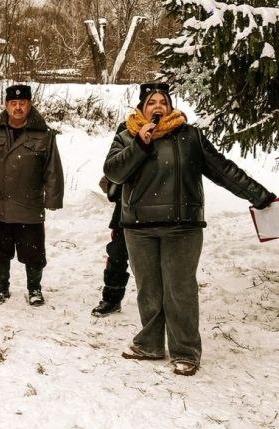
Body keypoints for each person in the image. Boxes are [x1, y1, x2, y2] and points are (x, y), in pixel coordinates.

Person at [104, 83, 275, 376]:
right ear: (141, 109)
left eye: (163, 102)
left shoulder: (190, 136)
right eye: (151, 102)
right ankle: (150, 344)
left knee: (180, 289)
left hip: (182, 226)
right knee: (149, 290)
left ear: (169, 106)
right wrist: (140, 145)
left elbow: (223, 170)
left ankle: (185, 351)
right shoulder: (128, 135)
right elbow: (113, 172)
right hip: (138, 227)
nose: (157, 106)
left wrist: (259, 195)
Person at [0, 84, 63, 306]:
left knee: (33, 252)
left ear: (30, 104)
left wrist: (52, 198)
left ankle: (34, 288)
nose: (18, 107)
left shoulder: (44, 134)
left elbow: (53, 169)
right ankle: (1, 286)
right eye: (13, 103)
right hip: (0, 203)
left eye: (22, 103)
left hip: (29, 204)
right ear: (6, 105)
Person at [92, 123, 130, 317]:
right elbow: (113, 163)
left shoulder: (175, 129)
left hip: (161, 208)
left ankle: (164, 306)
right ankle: (111, 299)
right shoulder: (127, 128)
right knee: (117, 254)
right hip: (126, 205)